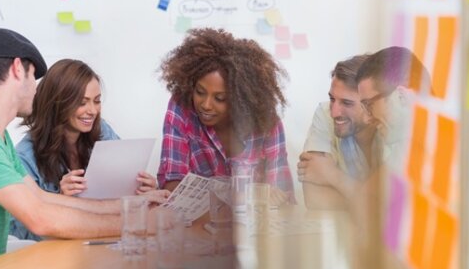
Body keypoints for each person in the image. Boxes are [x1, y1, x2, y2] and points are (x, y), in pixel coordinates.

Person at [0, 28, 168, 269]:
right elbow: (40, 218)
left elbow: (42, 198)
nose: (36, 89)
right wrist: (139, 224)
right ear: (18, 69)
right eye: (34, 77)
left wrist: (132, 206)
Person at [8, 59, 157, 240]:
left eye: (97, 101)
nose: (92, 111)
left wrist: (140, 186)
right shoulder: (25, 156)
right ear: (58, 103)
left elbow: (120, 193)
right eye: (82, 102)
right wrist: (61, 199)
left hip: (106, 237)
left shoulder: (102, 131)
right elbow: (19, 233)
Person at [154, 28, 295, 204]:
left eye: (220, 98)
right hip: (200, 220)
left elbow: (282, 197)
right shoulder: (182, 108)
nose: (206, 105)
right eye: (200, 92)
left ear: (241, 99)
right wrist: (250, 197)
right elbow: (172, 185)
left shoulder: (266, 122)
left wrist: (272, 198)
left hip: (253, 220)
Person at [296, 54, 377, 209]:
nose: (334, 112)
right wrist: (364, 201)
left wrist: (333, 175)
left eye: (347, 103)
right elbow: (314, 200)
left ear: (371, 105)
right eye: (332, 99)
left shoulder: (390, 125)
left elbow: (393, 208)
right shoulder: (324, 113)